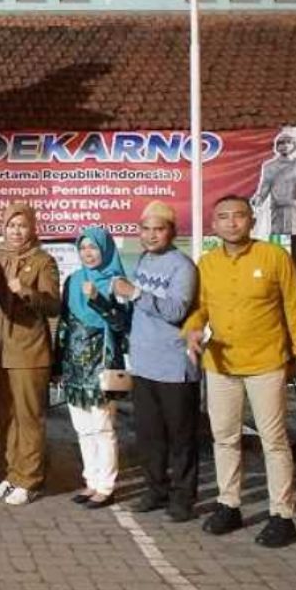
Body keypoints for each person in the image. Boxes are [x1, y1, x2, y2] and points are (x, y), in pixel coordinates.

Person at [184, 194, 296, 548]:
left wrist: (295, 353)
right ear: (214, 224)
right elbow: (200, 309)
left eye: (239, 216)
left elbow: (294, 305)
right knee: (224, 438)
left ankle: (282, 514)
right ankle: (229, 504)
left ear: (252, 221)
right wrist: (192, 330)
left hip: (267, 362)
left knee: (274, 440)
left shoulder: (274, 256)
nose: (232, 222)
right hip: (220, 366)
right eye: (224, 217)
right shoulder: (207, 263)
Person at [111, 202, 200, 522]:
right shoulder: (145, 260)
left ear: (171, 232)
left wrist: (135, 294)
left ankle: (183, 497)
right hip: (144, 364)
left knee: (181, 437)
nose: (151, 235)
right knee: (150, 435)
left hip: (175, 366)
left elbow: (176, 311)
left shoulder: (183, 266)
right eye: (145, 229)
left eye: (158, 229)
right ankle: (155, 489)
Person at [0, 203, 60, 507]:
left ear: (32, 228)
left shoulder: (43, 261)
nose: (16, 231)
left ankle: (30, 479)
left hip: (29, 352)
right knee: (7, 418)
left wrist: (26, 290)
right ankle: (12, 474)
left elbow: (53, 305)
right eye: (11, 225)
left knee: (29, 418)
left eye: (22, 225)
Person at [55, 225, 131, 509]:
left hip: (101, 364)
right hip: (74, 365)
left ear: (106, 250)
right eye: (83, 247)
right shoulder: (73, 281)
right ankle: (91, 480)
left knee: (103, 428)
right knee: (83, 428)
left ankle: (107, 486)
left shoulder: (117, 282)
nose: (88, 253)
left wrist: (98, 301)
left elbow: (123, 325)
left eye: (94, 247)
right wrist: (57, 362)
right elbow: (64, 323)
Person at [251, 131, 296, 235]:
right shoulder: (270, 166)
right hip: (279, 209)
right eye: (281, 142)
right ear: (277, 147)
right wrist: (257, 199)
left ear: (293, 145)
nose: (285, 145)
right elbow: (264, 188)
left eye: (289, 142)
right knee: (280, 241)